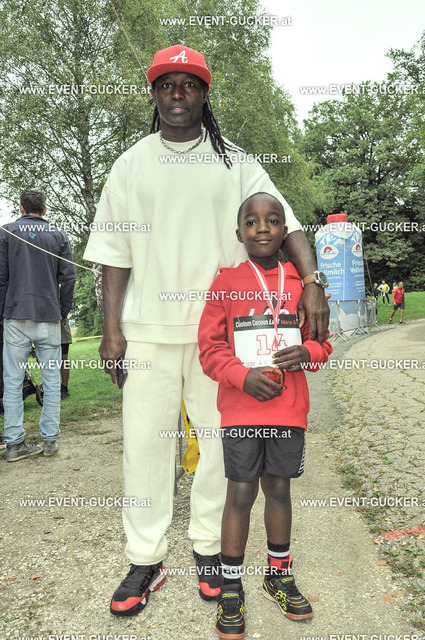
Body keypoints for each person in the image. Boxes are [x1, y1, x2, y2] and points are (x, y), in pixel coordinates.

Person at [83, 44, 330, 616]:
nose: (177, 94)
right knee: (145, 448)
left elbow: (289, 224)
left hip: (222, 337)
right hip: (148, 331)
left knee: (222, 448)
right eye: (166, 84)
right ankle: (145, 558)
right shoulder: (130, 164)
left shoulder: (237, 163)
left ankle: (209, 550)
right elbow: (114, 255)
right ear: (153, 94)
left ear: (204, 94)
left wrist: (313, 281)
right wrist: (112, 331)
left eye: (188, 84)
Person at [198, 193, 332, 638]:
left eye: (273, 220)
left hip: (288, 410)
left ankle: (278, 575)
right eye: (252, 221)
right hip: (241, 409)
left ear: (284, 232)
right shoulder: (226, 282)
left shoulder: (303, 285)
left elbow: (323, 342)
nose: (262, 228)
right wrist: (242, 376)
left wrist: (308, 352)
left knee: (278, 489)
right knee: (240, 493)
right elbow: (210, 349)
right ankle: (230, 588)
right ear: (239, 233)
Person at [0, 190, 75, 461]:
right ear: (44, 210)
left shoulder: (6, 233)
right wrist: (62, 311)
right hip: (49, 315)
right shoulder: (58, 235)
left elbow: (1, 278)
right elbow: (68, 278)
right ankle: (50, 441)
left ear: (21, 208)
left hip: (15, 315)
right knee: (52, 381)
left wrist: (3, 313)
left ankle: (14, 444)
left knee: (12, 381)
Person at [60, 318, 72, 399]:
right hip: (45, 327)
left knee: (63, 359)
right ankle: (52, 386)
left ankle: (64, 388)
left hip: (61, 326)